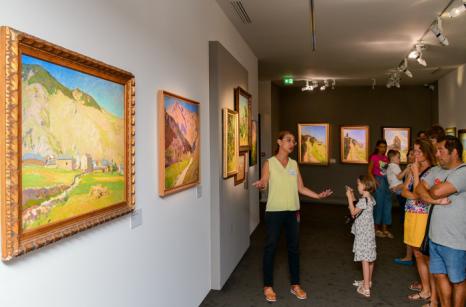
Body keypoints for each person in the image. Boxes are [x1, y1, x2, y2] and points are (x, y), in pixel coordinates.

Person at [253, 131, 333, 303]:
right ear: (279, 142)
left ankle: (295, 285)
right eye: (288, 140)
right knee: (271, 248)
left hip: (293, 212)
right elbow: (264, 181)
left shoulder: (294, 164)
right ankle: (268, 286)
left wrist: (318, 196)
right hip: (274, 211)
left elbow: (301, 188)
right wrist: (261, 185)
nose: (292, 143)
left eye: (294, 141)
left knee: (294, 248)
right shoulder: (270, 163)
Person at [415, 135, 466, 307]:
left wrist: (432, 192)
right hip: (435, 236)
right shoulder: (437, 170)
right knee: (438, 276)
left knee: (458, 280)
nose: (436, 154)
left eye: (441, 150)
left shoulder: (464, 172)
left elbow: (436, 190)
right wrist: (433, 200)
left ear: (455, 152)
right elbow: (419, 188)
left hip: (455, 240)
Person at [401, 138, 438, 303]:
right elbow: (404, 191)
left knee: (425, 255)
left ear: (426, 152)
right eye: (413, 151)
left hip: (423, 216)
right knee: (417, 253)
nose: (414, 154)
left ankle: (431, 291)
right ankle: (425, 289)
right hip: (410, 213)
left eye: (418, 151)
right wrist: (415, 193)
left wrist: (415, 175)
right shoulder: (413, 168)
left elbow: (419, 191)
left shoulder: (433, 170)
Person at [346, 175, 376, 298]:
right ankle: (367, 281)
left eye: (358, 184)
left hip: (363, 234)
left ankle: (366, 288)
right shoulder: (370, 199)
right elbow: (357, 205)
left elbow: (353, 212)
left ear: (364, 186)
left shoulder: (364, 201)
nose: (357, 186)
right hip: (369, 233)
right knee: (370, 257)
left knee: (364, 259)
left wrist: (348, 197)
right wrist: (353, 195)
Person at [394, 148, 415, 266]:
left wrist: (398, 188)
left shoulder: (413, 168)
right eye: (409, 154)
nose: (410, 156)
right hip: (406, 199)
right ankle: (409, 255)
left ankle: (409, 256)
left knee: (409, 227)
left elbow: (407, 184)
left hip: (411, 200)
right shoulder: (409, 166)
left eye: (413, 154)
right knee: (407, 226)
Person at [368, 140, 393, 238]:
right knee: (378, 205)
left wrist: (391, 184)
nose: (383, 148)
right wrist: (374, 181)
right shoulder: (374, 157)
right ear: (377, 147)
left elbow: (386, 172)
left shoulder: (386, 158)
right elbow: (369, 171)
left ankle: (385, 229)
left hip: (386, 182)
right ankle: (376, 229)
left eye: (385, 146)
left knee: (387, 205)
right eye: (381, 146)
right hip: (378, 182)